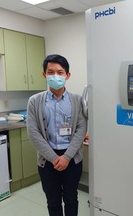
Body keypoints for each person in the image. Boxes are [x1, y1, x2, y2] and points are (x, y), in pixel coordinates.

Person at [26, 54, 87, 216]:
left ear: (68, 75)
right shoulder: (35, 101)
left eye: (60, 72)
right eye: (51, 72)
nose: (55, 76)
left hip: (72, 158)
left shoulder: (77, 100)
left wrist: (66, 157)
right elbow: (33, 133)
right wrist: (54, 158)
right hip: (47, 161)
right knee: (53, 201)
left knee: (71, 199)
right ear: (44, 74)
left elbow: (81, 128)